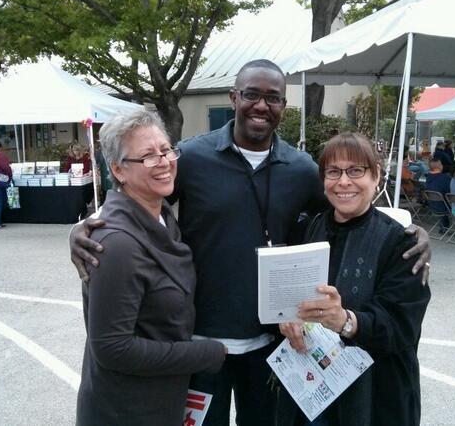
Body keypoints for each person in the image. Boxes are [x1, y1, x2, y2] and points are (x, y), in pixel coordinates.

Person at [69, 59, 432, 426]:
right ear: (233, 97)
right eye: (251, 95)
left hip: (270, 343)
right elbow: (141, 198)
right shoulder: (190, 158)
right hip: (199, 343)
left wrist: (411, 229)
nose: (261, 105)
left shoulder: (302, 168)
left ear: (282, 108)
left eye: (272, 98)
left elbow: (348, 212)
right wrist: (88, 225)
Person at [75, 110, 226, 425]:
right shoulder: (117, 245)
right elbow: (113, 348)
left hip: (160, 400)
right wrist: (206, 353)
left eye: (166, 150)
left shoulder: (161, 215)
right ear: (118, 170)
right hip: (126, 410)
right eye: (147, 157)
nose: (164, 162)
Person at [276, 133, 431, 426]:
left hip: (374, 397)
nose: (343, 181)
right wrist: (289, 318)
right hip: (312, 390)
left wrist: (347, 320)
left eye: (356, 170)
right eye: (333, 172)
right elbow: (295, 295)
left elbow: (402, 326)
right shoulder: (313, 228)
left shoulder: (401, 243)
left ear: (376, 178)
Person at [425, 158, 452, 231]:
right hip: (444, 207)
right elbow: (450, 192)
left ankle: (443, 227)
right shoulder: (445, 178)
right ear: (440, 166)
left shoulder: (428, 177)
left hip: (432, 205)